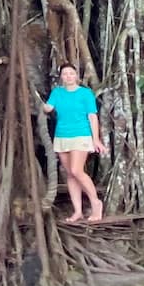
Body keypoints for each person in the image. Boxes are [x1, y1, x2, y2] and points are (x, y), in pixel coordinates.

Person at [43, 63, 105, 223]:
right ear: (61, 77)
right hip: (62, 136)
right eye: (65, 74)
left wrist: (96, 139)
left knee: (77, 170)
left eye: (71, 73)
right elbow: (48, 108)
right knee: (70, 174)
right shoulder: (57, 93)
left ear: (76, 75)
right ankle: (77, 211)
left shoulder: (85, 93)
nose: (68, 76)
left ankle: (96, 203)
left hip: (81, 135)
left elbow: (92, 117)